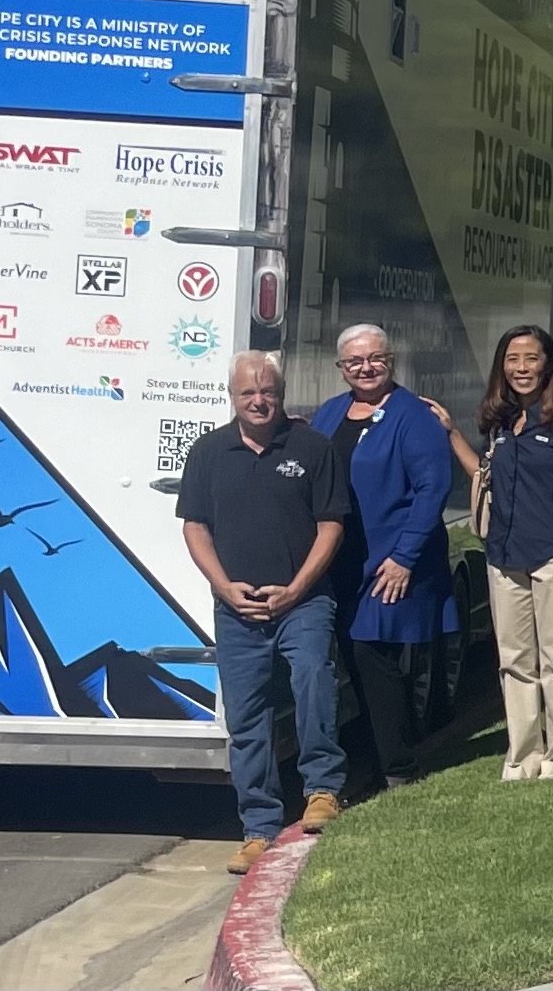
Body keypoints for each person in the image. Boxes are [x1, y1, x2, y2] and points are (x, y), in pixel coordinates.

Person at [177, 351, 356, 872]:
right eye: (247, 393)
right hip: (237, 607)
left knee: (312, 681)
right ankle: (258, 825)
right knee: (246, 713)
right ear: (232, 397)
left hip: (303, 601)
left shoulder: (312, 447)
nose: (258, 401)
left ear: (280, 394)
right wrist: (223, 586)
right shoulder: (209, 451)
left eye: (267, 392)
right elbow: (195, 526)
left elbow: (331, 525)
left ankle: (322, 789)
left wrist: (298, 589)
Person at [447, 324, 553, 781]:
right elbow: (485, 475)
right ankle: (523, 754)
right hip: (503, 555)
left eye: (531, 358)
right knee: (514, 660)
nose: (521, 368)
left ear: (548, 364)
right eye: (513, 359)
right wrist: (452, 434)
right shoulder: (498, 423)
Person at [308, 324, 455, 798]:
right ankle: (379, 758)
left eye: (375, 358)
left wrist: (404, 557)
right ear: (340, 368)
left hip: (391, 561)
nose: (365, 367)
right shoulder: (330, 414)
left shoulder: (413, 416)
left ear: (390, 360)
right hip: (341, 562)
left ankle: (398, 768)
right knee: (355, 657)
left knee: (374, 654)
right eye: (354, 361)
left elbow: (433, 488)